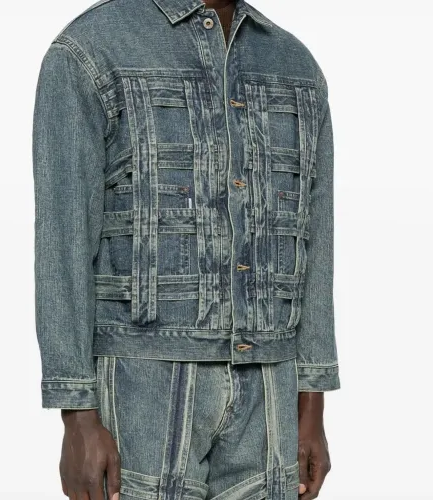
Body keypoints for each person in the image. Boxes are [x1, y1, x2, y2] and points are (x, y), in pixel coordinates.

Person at [32, 0, 341, 499]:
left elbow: (316, 239)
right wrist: (77, 411)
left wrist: (313, 403)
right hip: (143, 387)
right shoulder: (93, 48)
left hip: (270, 391)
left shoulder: (295, 64)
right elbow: (63, 240)